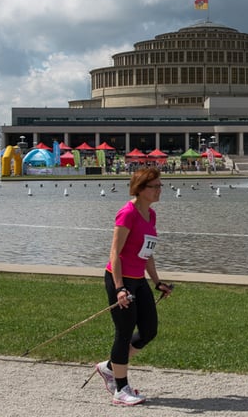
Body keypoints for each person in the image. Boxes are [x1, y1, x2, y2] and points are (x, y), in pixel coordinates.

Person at [94, 167, 172, 406]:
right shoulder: (127, 214)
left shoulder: (151, 215)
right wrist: (119, 288)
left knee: (149, 330)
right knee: (124, 332)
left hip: (139, 280)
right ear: (140, 188)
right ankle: (121, 389)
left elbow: (147, 253)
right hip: (120, 280)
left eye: (160, 186)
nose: (160, 190)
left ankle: (110, 366)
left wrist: (157, 282)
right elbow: (115, 254)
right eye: (155, 186)